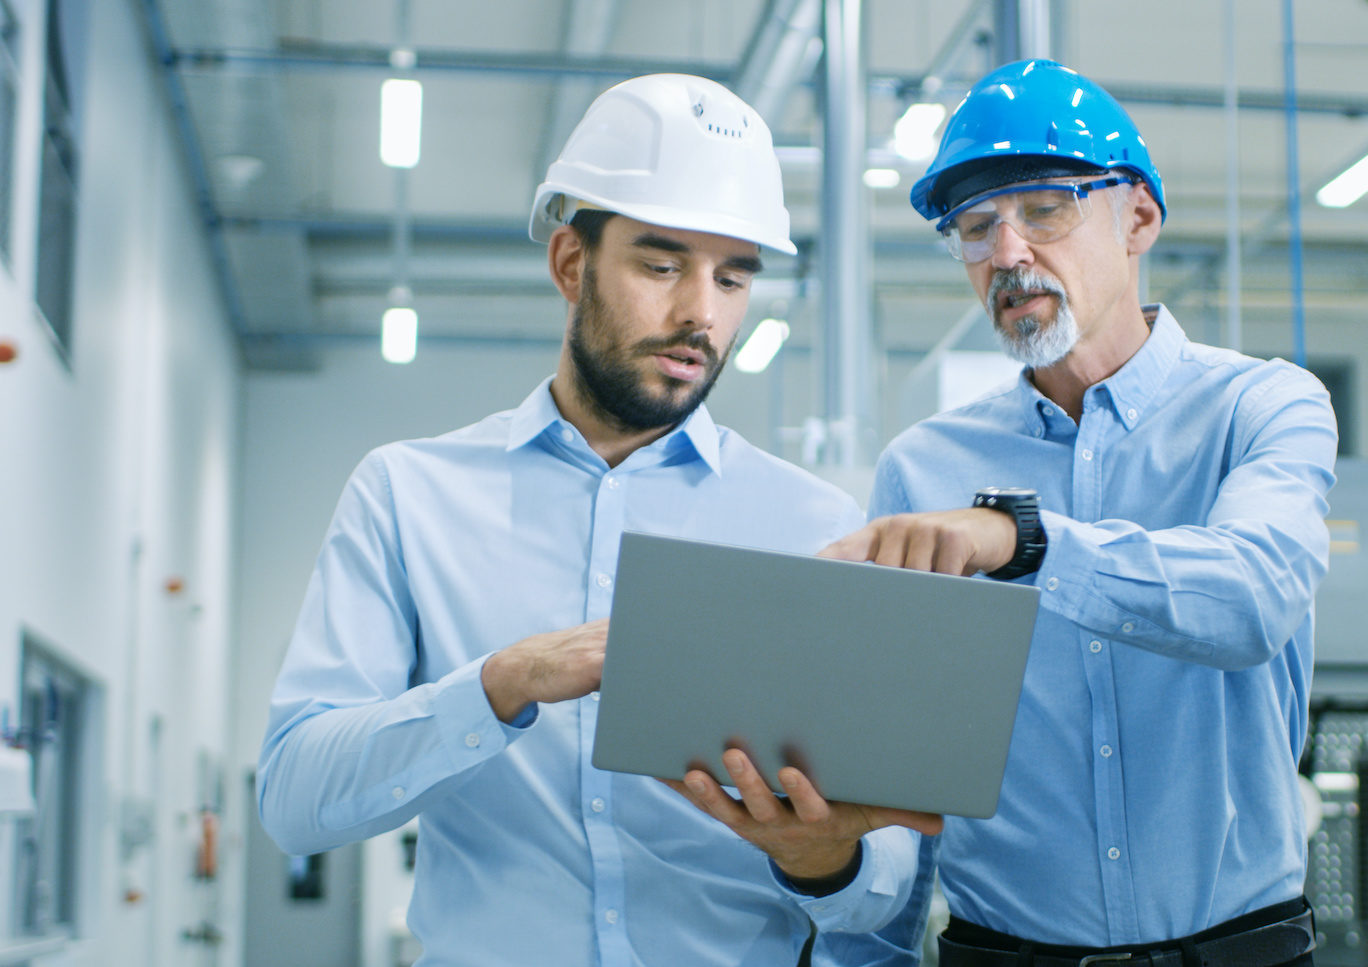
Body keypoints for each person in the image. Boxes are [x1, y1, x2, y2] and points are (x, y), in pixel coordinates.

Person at [256, 74, 933, 967]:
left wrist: (824, 860)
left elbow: (887, 894)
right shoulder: (410, 495)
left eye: (732, 277)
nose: (701, 311)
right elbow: (296, 797)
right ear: (572, 264)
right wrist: (502, 683)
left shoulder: (819, 526)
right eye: (662, 265)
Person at [816, 60, 1338, 967]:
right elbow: (908, 788)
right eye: (975, 228)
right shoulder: (922, 469)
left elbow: (1253, 595)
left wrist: (1025, 541)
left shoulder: (1263, 407)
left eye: (1046, 208)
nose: (1009, 254)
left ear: (1138, 218)